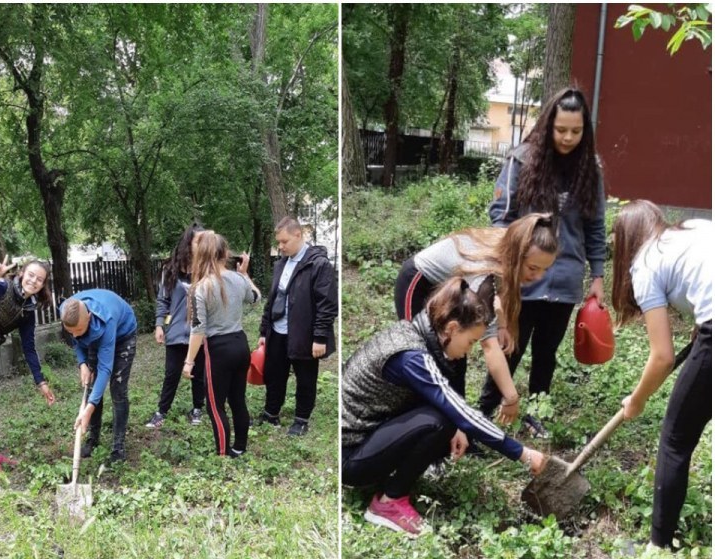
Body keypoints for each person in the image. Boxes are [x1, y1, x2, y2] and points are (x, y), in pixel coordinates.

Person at [343, 276, 548, 536]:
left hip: (364, 436)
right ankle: (389, 502)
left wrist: (456, 429)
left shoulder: (416, 333)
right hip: (349, 457)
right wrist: (523, 454)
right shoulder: (413, 357)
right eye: (471, 342)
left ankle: (392, 483)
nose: (468, 351)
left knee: (448, 420)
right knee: (443, 420)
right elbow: (460, 412)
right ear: (451, 328)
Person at [478, 87, 607, 437]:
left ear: (585, 130)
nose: (567, 137)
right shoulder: (521, 160)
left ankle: (536, 414)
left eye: (576, 131)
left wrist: (597, 275)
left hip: (565, 279)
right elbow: (500, 218)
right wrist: (508, 268)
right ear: (548, 125)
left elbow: (595, 226)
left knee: (546, 352)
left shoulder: (591, 168)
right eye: (561, 129)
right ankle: (484, 413)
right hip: (524, 277)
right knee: (510, 346)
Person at [394, 213, 558, 428]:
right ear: (517, 255)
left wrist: (502, 324)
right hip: (419, 283)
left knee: (455, 360)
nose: (538, 277)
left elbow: (503, 288)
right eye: (533, 268)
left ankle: (457, 430)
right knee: (421, 357)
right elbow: (490, 347)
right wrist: (511, 397)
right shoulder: (482, 281)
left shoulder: (508, 246)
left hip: (455, 289)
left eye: (544, 269)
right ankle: (412, 424)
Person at [611, 200, 711, 550]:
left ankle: (657, 548)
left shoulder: (645, 264)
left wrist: (637, 400)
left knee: (675, 440)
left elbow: (662, 356)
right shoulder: (693, 227)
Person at [0, 257, 57, 475]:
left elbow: (29, 348)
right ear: (22, 274)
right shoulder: (1, 288)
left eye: (39, 279)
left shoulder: (27, 311)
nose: (34, 281)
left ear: (43, 284)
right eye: (31, 275)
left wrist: (41, 382)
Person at [255, 217, 338, 436]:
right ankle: (271, 413)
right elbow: (272, 300)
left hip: (304, 334)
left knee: (305, 377)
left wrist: (320, 337)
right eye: (278, 243)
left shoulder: (319, 264)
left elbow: (327, 304)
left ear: (298, 235)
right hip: (278, 331)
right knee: (274, 374)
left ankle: (301, 419)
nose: (280, 247)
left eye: (284, 241)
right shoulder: (281, 264)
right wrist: (264, 331)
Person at [181, 230, 261, 458]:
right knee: (238, 400)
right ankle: (240, 448)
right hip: (240, 344)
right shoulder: (237, 279)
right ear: (225, 253)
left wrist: (188, 362)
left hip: (218, 350)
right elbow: (255, 297)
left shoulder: (200, 287)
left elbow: (198, 329)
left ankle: (223, 455)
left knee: (215, 406)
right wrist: (245, 275)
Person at [61, 289, 137, 463]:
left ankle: (118, 449)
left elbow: (105, 369)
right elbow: (76, 339)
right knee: (91, 383)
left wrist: (88, 408)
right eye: (70, 331)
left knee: (118, 389)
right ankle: (92, 441)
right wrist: (82, 364)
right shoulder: (68, 312)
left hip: (123, 335)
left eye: (78, 329)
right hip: (94, 333)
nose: (74, 335)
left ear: (88, 315)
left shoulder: (106, 319)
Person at [146, 225, 206, 429]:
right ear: (188, 243)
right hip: (177, 331)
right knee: (171, 373)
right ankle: (161, 412)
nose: (202, 245)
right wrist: (159, 325)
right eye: (198, 241)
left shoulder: (207, 269)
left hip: (200, 332)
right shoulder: (170, 270)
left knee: (199, 372)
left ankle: (198, 408)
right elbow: (163, 300)